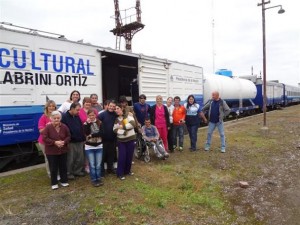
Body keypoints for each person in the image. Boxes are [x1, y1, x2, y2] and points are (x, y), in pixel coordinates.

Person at [42, 111, 71, 190]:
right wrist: (54, 142)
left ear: (60, 118)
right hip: (51, 151)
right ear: (51, 118)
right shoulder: (48, 127)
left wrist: (64, 142)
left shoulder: (64, 126)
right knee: (53, 167)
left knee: (63, 166)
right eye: (54, 118)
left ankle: (64, 181)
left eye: (58, 118)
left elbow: (68, 136)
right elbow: (44, 138)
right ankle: (54, 183)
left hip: (63, 150)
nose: (56, 119)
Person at [61, 102, 86, 179]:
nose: (79, 112)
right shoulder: (64, 117)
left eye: (79, 110)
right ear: (71, 109)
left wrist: (83, 138)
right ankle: (69, 173)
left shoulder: (77, 116)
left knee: (80, 157)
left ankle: (77, 171)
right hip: (71, 141)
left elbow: (81, 127)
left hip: (80, 140)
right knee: (70, 159)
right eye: (77, 110)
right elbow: (64, 131)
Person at [113, 104, 136, 180]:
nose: (116, 110)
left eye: (118, 108)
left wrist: (122, 126)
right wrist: (123, 132)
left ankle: (127, 171)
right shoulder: (116, 119)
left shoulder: (128, 116)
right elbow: (115, 130)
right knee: (122, 157)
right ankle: (120, 173)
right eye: (115, 109)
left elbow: (133, 124)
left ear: (122, 108)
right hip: (121, 141)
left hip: (131, 139)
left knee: (129, 156)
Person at [83, 109, 104, 187]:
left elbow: (102, 133)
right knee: (92, 164)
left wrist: (92, 135)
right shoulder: (85, 123)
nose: (91, 117)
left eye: (93, 115)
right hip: (89, 147)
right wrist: (88, 124)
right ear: (87, 116)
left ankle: (98, 178)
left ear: (95, 115)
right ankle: (94, 179)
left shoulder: (100, 122)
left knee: (98, 164)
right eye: (89, 115)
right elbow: (86, 133)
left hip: (99, 146)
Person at [38, 100, 57, 177]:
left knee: (56, 157)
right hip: (44, 142)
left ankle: (57, 172)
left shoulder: (57, 116)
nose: (51, 108)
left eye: (53, 106)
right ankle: (51, 174)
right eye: (50, 106)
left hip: (55, 141)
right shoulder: (43, 117)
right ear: (46, 107)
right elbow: (41, 131)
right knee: (48, 158)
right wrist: (48, 126)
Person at [98, 100, 117, 176]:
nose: (112, 108)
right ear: (107, 106)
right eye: (110, 106)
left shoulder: (116, 115)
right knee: (102, 156)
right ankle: (102, 171)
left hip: (112, 138)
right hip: (103, 139)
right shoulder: (102, 115)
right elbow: (97, 125)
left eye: (113, 106)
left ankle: (110, 168)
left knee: (111, 155)